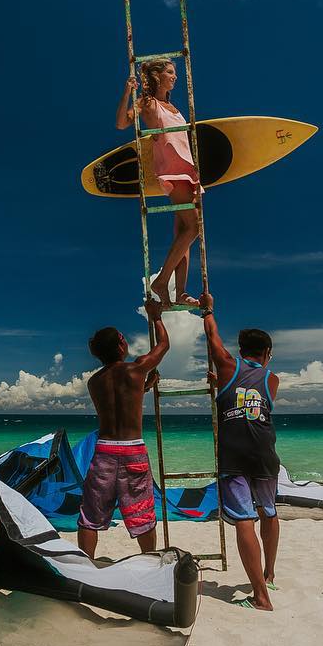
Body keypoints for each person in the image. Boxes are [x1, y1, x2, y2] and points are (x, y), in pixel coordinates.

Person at [199, 291, 280, 611]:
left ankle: (261, 596)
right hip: (265, 452)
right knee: (269, 511)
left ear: (241, 350)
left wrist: (208, 309)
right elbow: (247, 392)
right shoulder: (273, 380)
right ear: (267, 353)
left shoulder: (227, 365)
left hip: (234, 454)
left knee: (245, 518)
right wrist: (221, 382)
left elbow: (212, 337)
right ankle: (269, 574)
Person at [77, 298, 170, 557]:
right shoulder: (136, 369)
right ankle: (148, 560)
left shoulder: (95, 382)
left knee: (90, 515)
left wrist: (145, 386)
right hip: (133, 451)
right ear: (121, 344)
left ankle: (86, 564)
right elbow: (164, 345)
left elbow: (116, 401)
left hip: (105, 451)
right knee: (142, 513)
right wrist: (156, 316)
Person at [116, 59, 200, 309]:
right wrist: (127, 92)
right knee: (193, 227)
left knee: (183, 233)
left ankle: (181, 292)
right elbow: (122, 123)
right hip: (173, 170)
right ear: (157, 76)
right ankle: (162, 281)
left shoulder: (173, 106)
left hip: (187, 168)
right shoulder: (147, 102)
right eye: (170, 72)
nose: (175, 77)